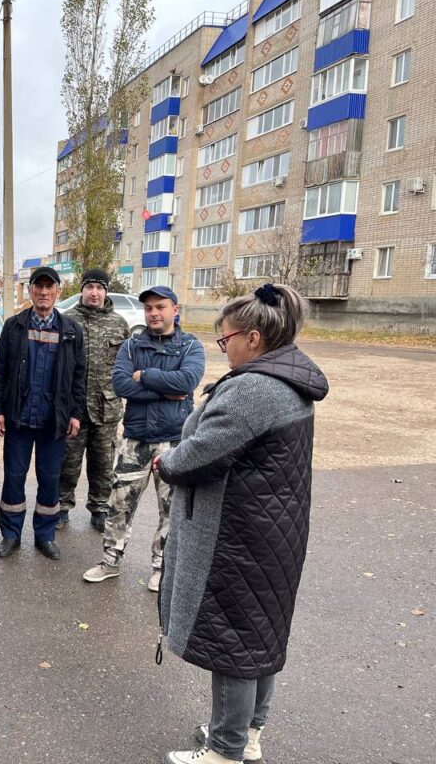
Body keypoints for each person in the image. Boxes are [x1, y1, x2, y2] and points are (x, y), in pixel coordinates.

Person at [155, 284, 328, 764]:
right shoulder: (288, 380)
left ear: (253, 338)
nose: (222, 346)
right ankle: (248, 732)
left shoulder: (255, 387)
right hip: (272, 532)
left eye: (224, 338)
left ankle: (225, 750)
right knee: (258, 634)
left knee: (232, 640)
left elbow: (200, 455)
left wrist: (166, 464)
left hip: (240, 536)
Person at [83, 285, 205, 591]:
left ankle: (161, 568)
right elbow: (122, 384)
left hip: (174, 441)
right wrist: (169, 390)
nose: (153, 313)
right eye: (149, 308)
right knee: (119, 503)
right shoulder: (131, 346)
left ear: (175, 310)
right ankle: (110, 561)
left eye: (160, 307)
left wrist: (145, 376)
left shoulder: (191, 346)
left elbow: (188, 380)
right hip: (135, 439)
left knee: (171, 508)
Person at [0, 266, 85, 561]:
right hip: (19, 418)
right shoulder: (14, 326)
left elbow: (79, 375)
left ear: (58, 291)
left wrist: (75, 413)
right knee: (14, 477)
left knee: (50, 479)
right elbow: (1, 371)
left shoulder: (71, 330)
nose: (43, 292)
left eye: (49, 287)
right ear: (30, 291)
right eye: (38, 287)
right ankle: (10, 535)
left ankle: (45, 535)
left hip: (52, 422)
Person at [57, 269, 130, 532]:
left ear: (106, 292)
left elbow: (127, 366)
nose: (94, 293)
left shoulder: (119, 324)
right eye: (90, 288)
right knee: (67, 462)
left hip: (106, 408)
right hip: (73, 408)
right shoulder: (66, 321)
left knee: (102, 464)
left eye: (100, 288)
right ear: (82, 290)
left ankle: (99, 508)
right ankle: (61, 507)